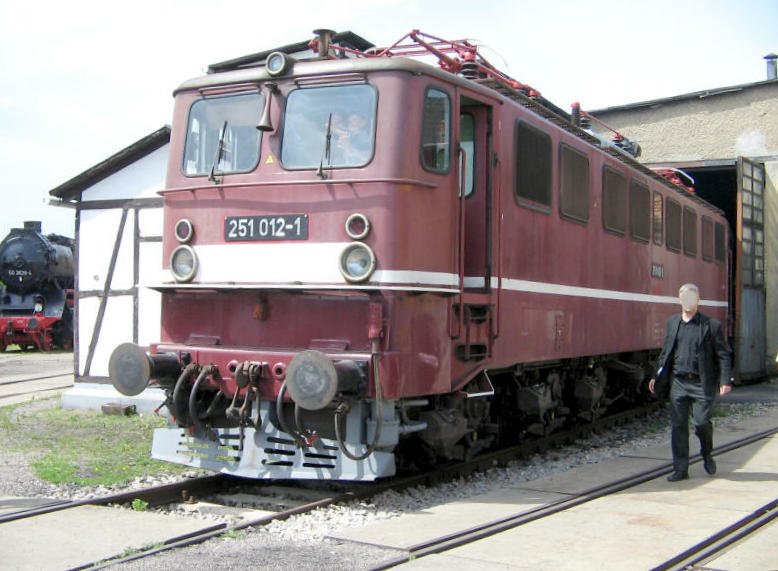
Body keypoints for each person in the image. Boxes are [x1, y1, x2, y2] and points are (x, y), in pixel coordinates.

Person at [649, 283, 733, 482]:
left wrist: (724, 380)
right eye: (684, 297)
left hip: (701, 384)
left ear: (698, 301)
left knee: (701, 423)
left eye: (691, 298)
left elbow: (723, 355)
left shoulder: (711, 326)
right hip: (678, 382)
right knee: (678, 426)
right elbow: (665, 353)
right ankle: (680, 469)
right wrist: (655, 375)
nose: (687, 302)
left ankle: (706, 453)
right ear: (680, 300)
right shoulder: (672, 323)